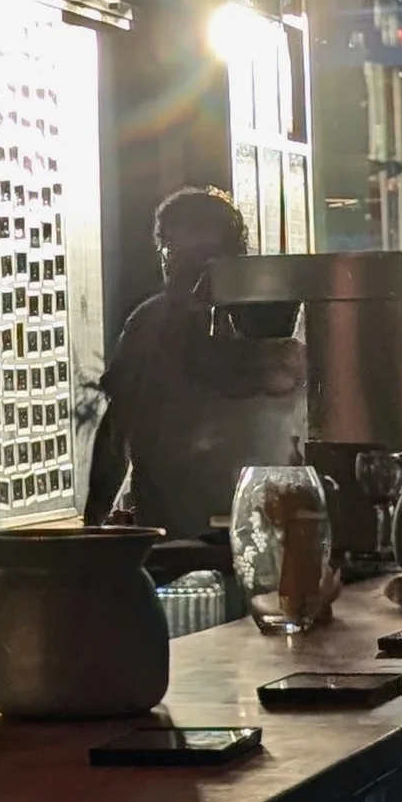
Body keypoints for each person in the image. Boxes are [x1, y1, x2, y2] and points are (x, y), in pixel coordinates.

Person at [84, 186, 308, 539]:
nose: (181, 269)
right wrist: (93, 524)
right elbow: (116, 429)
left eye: (200, 257)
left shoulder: (274, 316)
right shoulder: (149, 324)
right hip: (166, 532)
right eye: (173, 252)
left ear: (235, 255)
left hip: (261, 528)